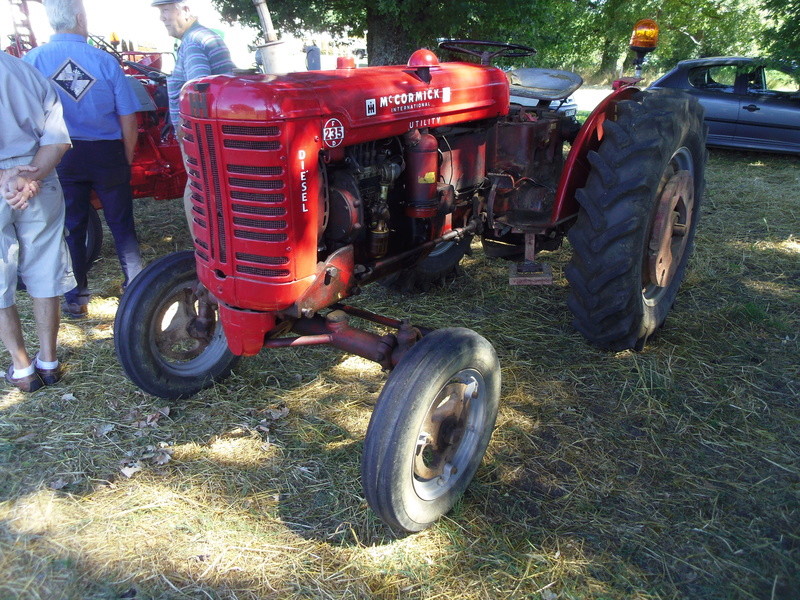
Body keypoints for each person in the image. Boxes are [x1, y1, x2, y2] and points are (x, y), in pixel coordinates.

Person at [24, 0, 143, 319]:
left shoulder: (31, 61)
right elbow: (128, 118)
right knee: (122, 225)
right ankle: (136, 288)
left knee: (73, 225)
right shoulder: (104, 60)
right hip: (106, 153)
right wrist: (126, 157)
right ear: (78, 18)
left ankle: (76, 298)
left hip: (60, 154)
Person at [0, 51, 75, 392]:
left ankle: (21, 368)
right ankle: (48, 361)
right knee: (46, 267)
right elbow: (56, 140)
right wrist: (29, 178)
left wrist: (7, 177)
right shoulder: (27, 71)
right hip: (37, 178)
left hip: (14, 178)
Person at [152, 0, 235, 228]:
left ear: (186, 9)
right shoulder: (197, 38)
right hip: (206, 133)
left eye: (166, 10)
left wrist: (185, 130)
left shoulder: (194, 41)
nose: (162, 18)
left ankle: (203, 247)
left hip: (200, 135)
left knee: (197, 189)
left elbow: (198, 89)